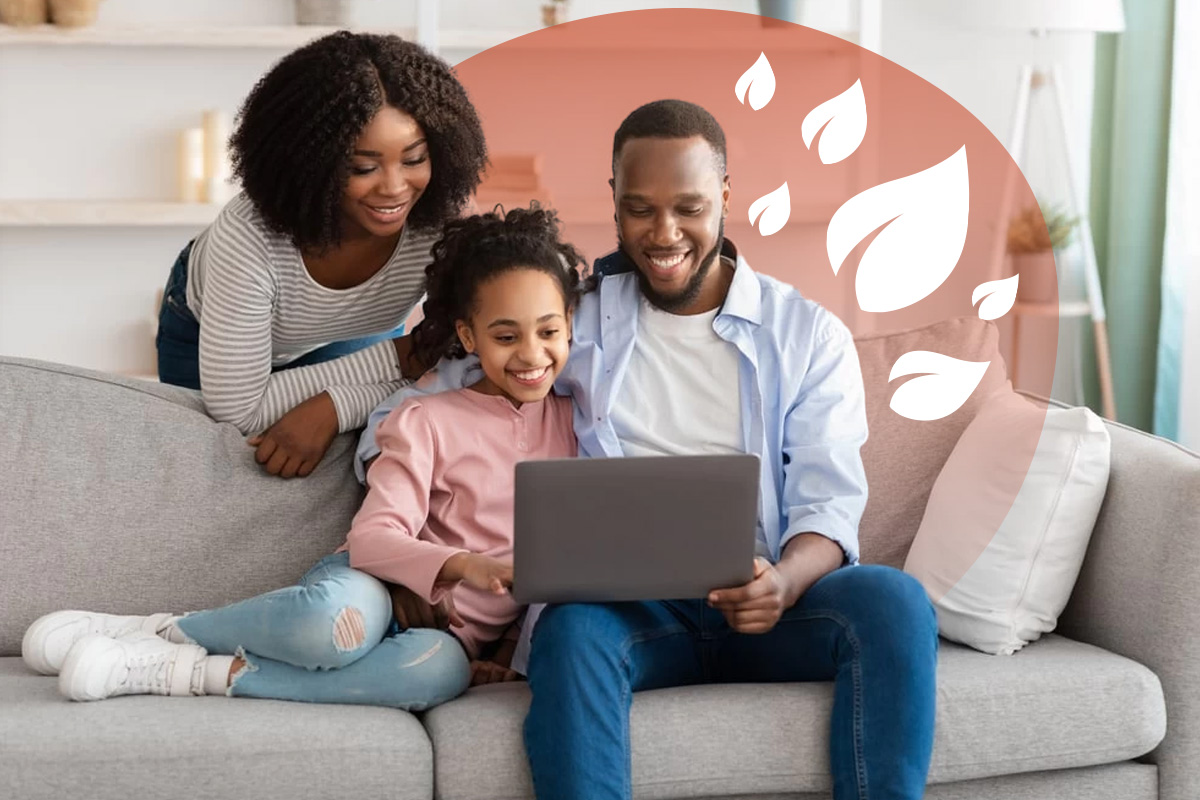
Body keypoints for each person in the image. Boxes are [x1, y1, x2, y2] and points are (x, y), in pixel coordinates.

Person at [358, 100, 938, 799]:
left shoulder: (807, 336)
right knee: (571, 631)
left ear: (725, 196)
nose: (664, 234)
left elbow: (829, 503)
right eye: (640, 209)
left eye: (689, 207)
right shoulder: (576, 318)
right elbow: (421, 400)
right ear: (613, 202)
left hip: (769, 604)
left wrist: (783, 583)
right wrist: (410, 556)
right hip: (630, 612)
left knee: (894, 601)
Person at [22, 206, 583, 708]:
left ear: (570, 328)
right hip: (369, 586)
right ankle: (163, 629)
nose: (531, 354)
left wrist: (506, 649)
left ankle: (183, 671)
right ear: (469, 334)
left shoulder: (578, 427)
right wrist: (463, 565)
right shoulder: (427, 420)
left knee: (436, 674)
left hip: (442, 640)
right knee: (331, 623)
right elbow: (372, 540)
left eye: (549, 331)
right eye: (506, 337)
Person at [156, 31, 488, 478]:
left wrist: (336, 405)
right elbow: (237, 410)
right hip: (203, 332)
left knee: (343, 473)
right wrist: (407, 357)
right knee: (217, 473)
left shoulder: (444, 223)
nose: (394, 188)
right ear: (311, 163)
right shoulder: (247, 239)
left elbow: (475, 351)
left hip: (349, 330)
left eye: (413, 159)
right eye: (362, 168)